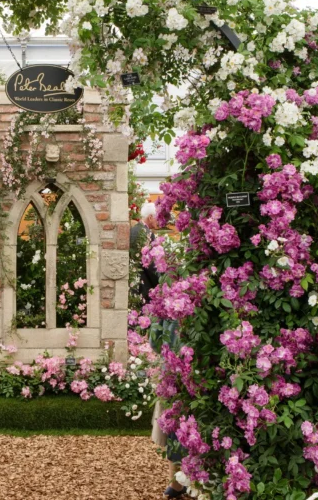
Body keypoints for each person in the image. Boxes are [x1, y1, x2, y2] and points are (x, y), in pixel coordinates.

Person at [131, 203, 187, 498]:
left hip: (176, 371)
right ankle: (193, 482)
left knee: (177, 423)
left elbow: (155, 341)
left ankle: (177, 483)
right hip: (198, 370)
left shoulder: (169, 300)